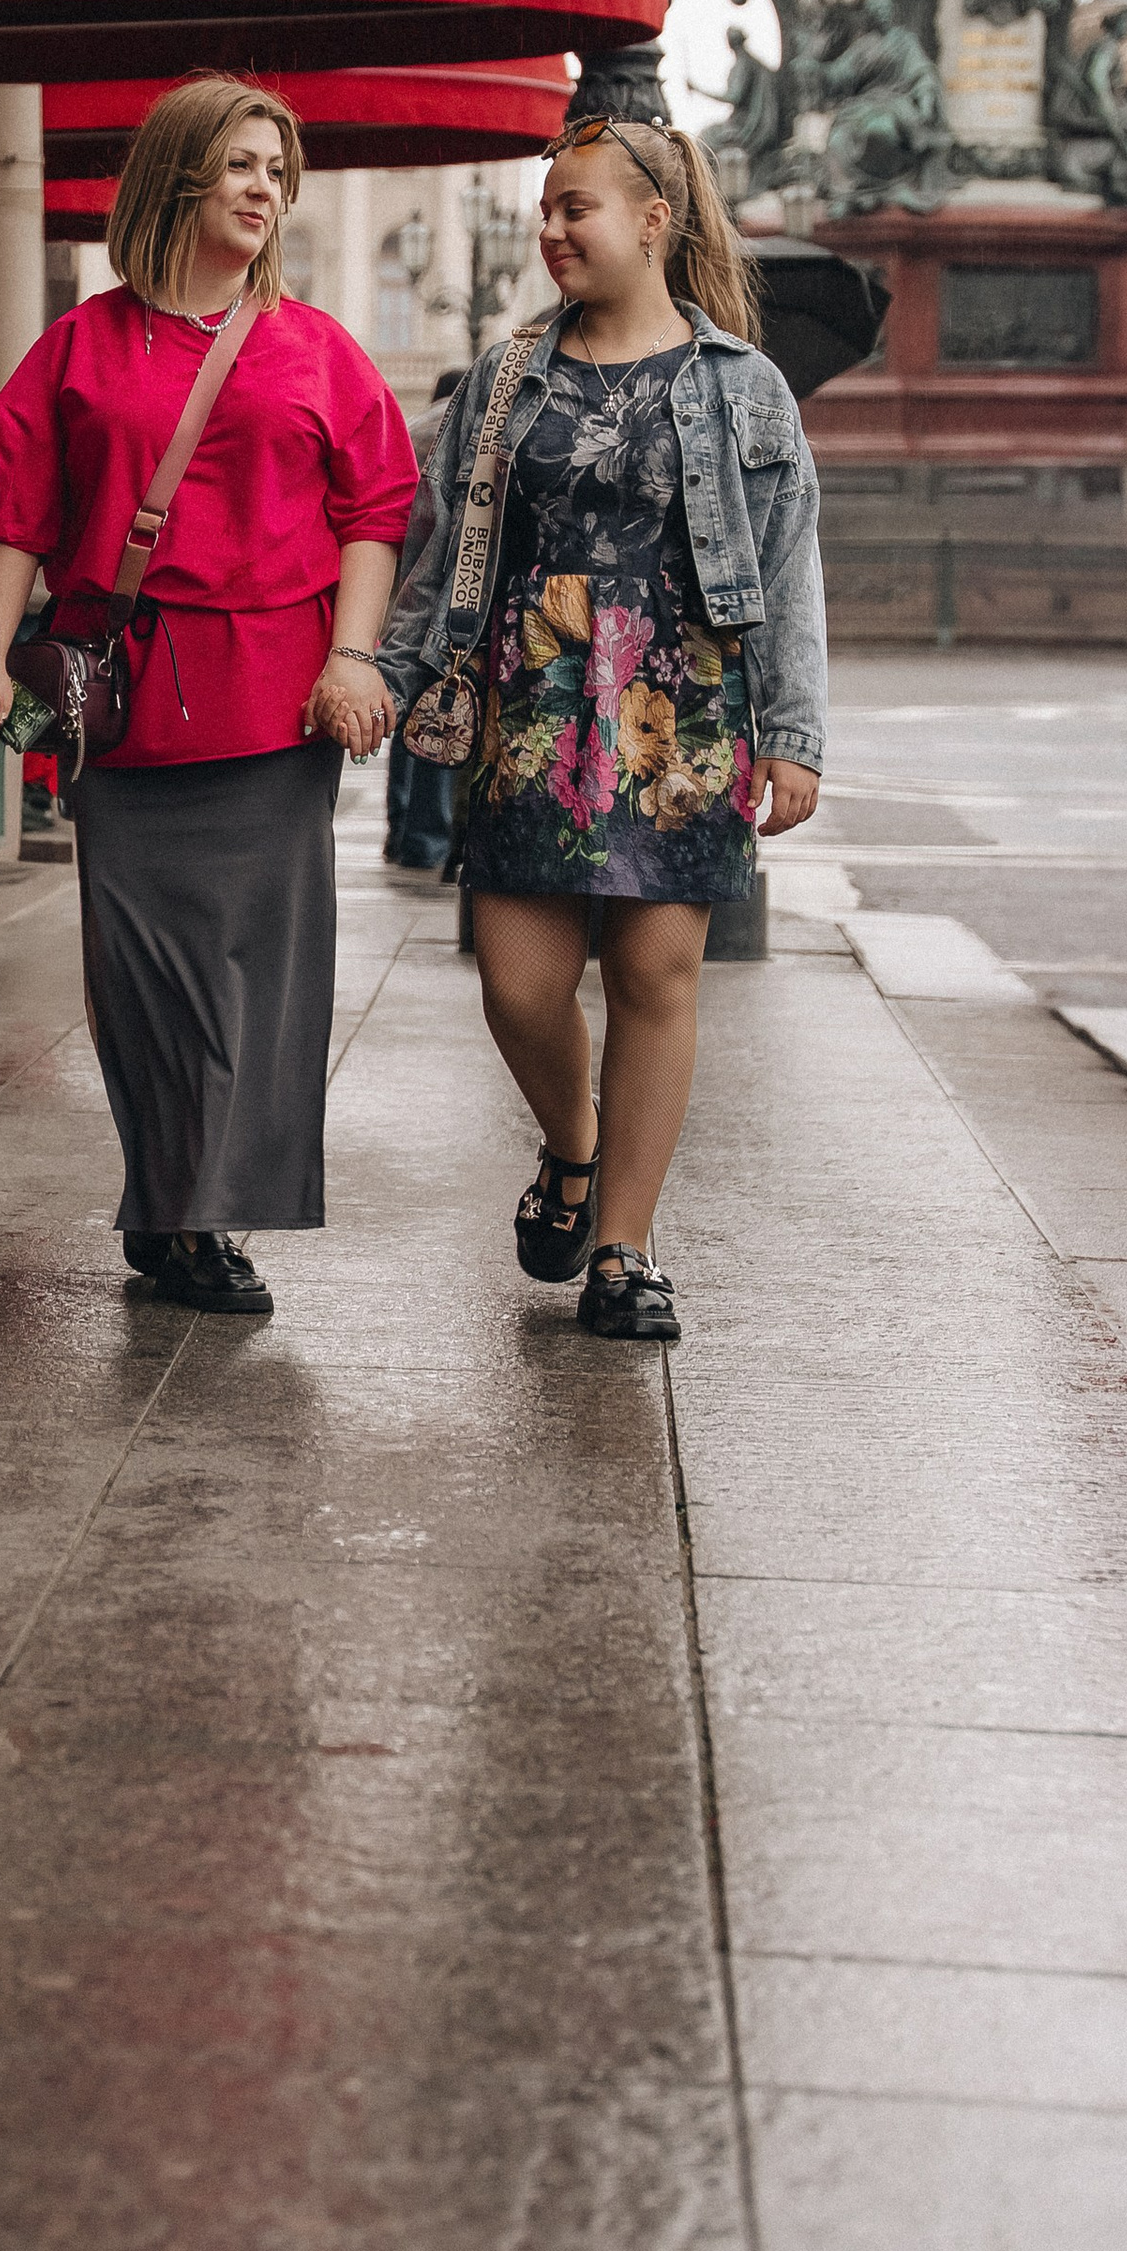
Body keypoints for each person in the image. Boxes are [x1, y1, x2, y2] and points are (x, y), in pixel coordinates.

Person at [0, 79, 417, 1317]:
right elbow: (13, 510)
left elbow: (376, 509)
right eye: (242, 164)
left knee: (254, 970)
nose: (264, 188)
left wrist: (352, 657)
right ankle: (165, 1193)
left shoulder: (316, 348)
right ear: (177, 176)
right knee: (142, 974)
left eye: (276, 171)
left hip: (275, 703)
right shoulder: (83, 346)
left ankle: (204, 1216)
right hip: (127, 705)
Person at [379, 115, 826, 1342]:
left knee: (652, 973)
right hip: (532, 689)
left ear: (653, 220)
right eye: (546, 207)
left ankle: (624, 1246)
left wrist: (792, 733)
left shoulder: (742, 387)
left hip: (677, 701)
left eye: (577, 205)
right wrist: (389, 672)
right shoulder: (504, 374)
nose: (552, 228)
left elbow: (788, 571)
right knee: (519, 986)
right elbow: (440, 545)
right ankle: (569, 1146)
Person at [383, 364, 467, 871]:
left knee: (406, 707)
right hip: (451, 591)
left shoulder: (414, 426)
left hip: (401, 589)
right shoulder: (463, 427)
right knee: (441, 710)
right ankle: (429, 838)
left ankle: (402, 829)